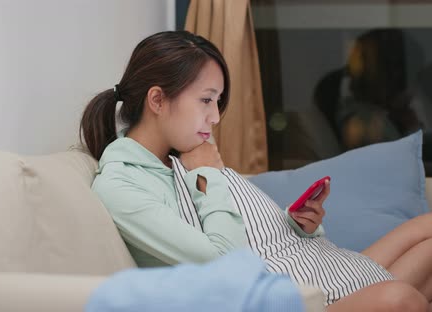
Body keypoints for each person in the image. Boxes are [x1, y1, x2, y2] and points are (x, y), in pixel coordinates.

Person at [80, 30, 432, 311]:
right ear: (157, 100)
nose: (215, 117)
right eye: (206, 100)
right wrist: (210, 176)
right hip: (303, 297)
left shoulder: (183, 154)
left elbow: (255, 233)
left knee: (425, 227)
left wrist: (301, 223)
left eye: (217, 102)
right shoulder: (122, 184)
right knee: (398, 300)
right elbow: (225, 261)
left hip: (319, 265)